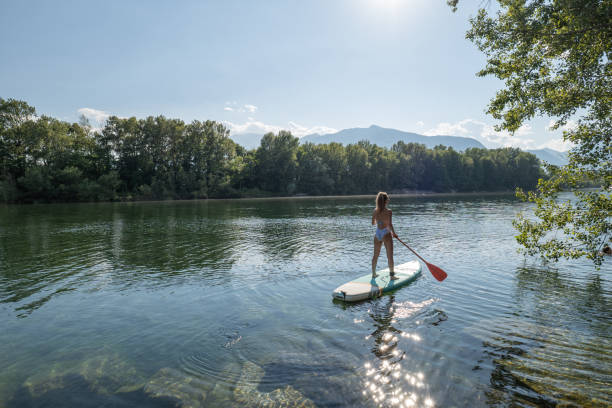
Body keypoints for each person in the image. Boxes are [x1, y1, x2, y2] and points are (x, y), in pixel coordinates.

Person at [372, 192, 398, 280]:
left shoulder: (375, 211)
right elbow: (390, 225)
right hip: (386, 234)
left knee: (375, 255)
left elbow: (373, 223)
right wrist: (394, 233)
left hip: (377, 233)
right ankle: (392, 276)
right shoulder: (389, 211)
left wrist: (379, 221)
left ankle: (374, 274)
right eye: (388, 199)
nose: (389, 200)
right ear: (385, 201)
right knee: (390, 256)